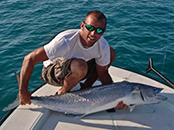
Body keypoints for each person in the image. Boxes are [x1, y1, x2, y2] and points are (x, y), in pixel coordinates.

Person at [19, 10, 127, 110]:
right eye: (90, 28)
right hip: (51, 72)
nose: (93, 33)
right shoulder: (65, 41)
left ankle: (86, 88)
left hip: (76, 68)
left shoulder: (102, 45)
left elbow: (103, 73)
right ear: (82, 26)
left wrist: (116, 98)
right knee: (81, 66)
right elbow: (29, 59)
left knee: (110, 53)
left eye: (99, 30)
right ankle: (62, 94)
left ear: (104, 31)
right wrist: (23, 91)